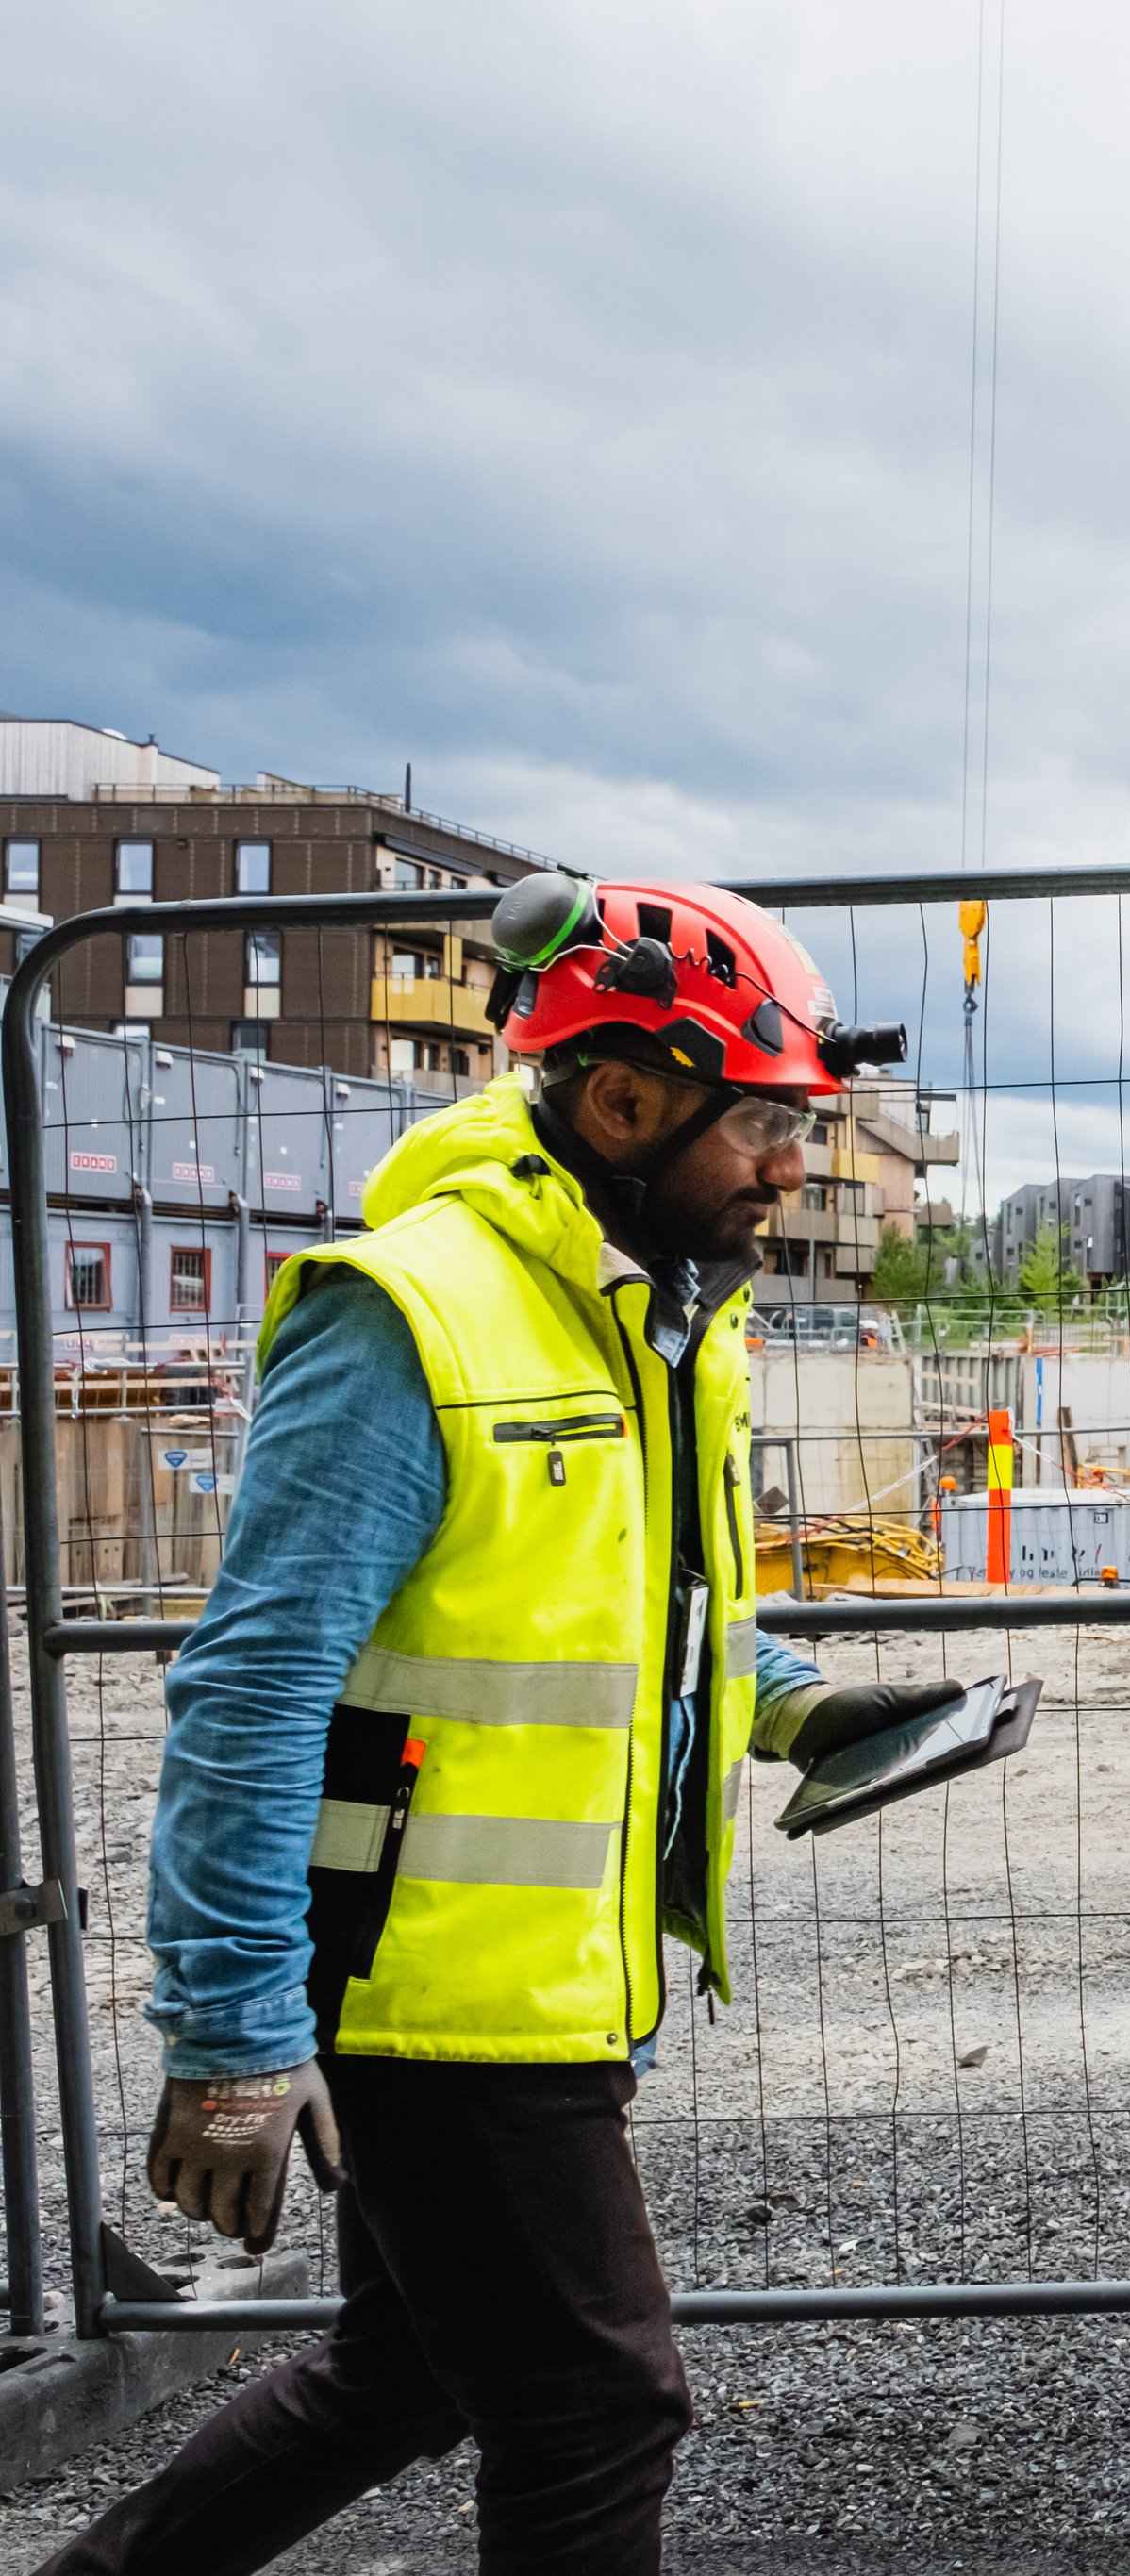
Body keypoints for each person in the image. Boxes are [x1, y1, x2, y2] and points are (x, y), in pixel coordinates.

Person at [47, 876, 981, 2576]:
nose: (797, 1166)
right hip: (434, 1991)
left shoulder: (655, 1309)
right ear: (624, 1099)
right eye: (766, 1124)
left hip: (543, 1972)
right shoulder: (411, 1313)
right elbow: (251, 1681)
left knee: (403, 2372)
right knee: (597, 2409)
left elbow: (628, 1614)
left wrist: (799, 1705)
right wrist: (235, 2028)